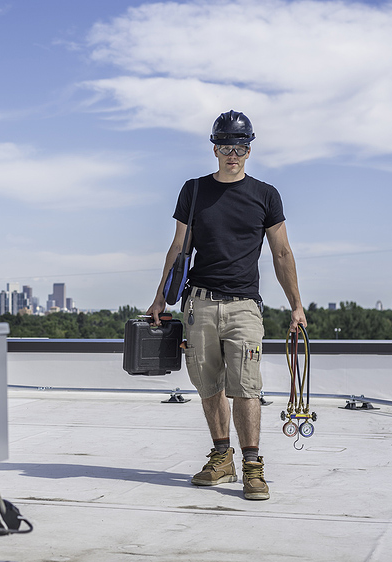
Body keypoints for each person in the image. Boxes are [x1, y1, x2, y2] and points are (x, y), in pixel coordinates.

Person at [147, 110, 306, 500]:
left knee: (246, 388)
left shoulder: (266, 195)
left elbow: (282, 252)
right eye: (224, 146)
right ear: (214, 148)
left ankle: (253, 466)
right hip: (198, 304)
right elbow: (179, 247)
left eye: (240, 147)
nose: (232, 153)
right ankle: (223, 458)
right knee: (208, 386)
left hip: (244, 307)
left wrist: (296, 306)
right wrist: (159, 297)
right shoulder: (195, 190)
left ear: (249, 151)